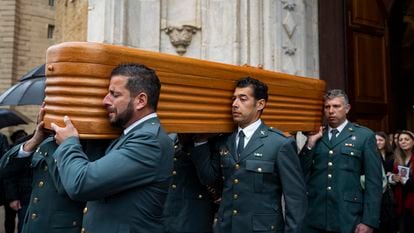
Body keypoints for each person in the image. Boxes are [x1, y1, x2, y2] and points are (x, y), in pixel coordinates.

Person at [50, 63, 174, 233]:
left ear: (140, 101)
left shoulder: (148, 140)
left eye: (114, 94)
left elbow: (81, 184)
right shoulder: (131, 135)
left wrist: (68, 143)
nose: (105, 101)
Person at [190, 77, 307, 233]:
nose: (234, 104)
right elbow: (208, 178)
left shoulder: (280, 143)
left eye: (242, 99)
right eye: (234, 99)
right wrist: (200, 140)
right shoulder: (224, 141)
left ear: (260, 104)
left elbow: (295, 199)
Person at [0, 107, 109, 233]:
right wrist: (35, 139)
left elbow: (68, 188)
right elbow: (4, 169)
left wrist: (57, 144)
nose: (46, 110)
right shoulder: (43, 138)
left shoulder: (90, 145)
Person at [300, 89, 383, 233]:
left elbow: (374, 183)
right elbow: (300, 171)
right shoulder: (316, 134)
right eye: (327, 107)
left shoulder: (364, 136)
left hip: (348, 216)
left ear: (347, 108)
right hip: (315, 215)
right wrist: (310, 144)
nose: (331, 111)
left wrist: (369, 221)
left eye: (336, 106)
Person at [163, 133, 219, 233]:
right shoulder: (169, 138)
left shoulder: (216, 142)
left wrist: (201, 141)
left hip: (194, 215)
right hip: (167, 214)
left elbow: (209, 178)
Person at [3, 129, 31, 233]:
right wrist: (13, 197)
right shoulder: (17, 148)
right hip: (22, 195)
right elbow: (9, 175)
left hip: (29, 194)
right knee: (21, 224)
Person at [388, 130, 414, 233]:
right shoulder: (394, 159)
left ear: (413, 141)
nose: (403, 142)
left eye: (406, 139)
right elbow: (388, 176)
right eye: (400, 140)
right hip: (399, 203)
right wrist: (393, 178)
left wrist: (404, 181)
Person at [0, 132, 15, 233]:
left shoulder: (1, 138)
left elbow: (6, 163)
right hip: (5, 182)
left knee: (10, 216)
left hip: (5, 183)